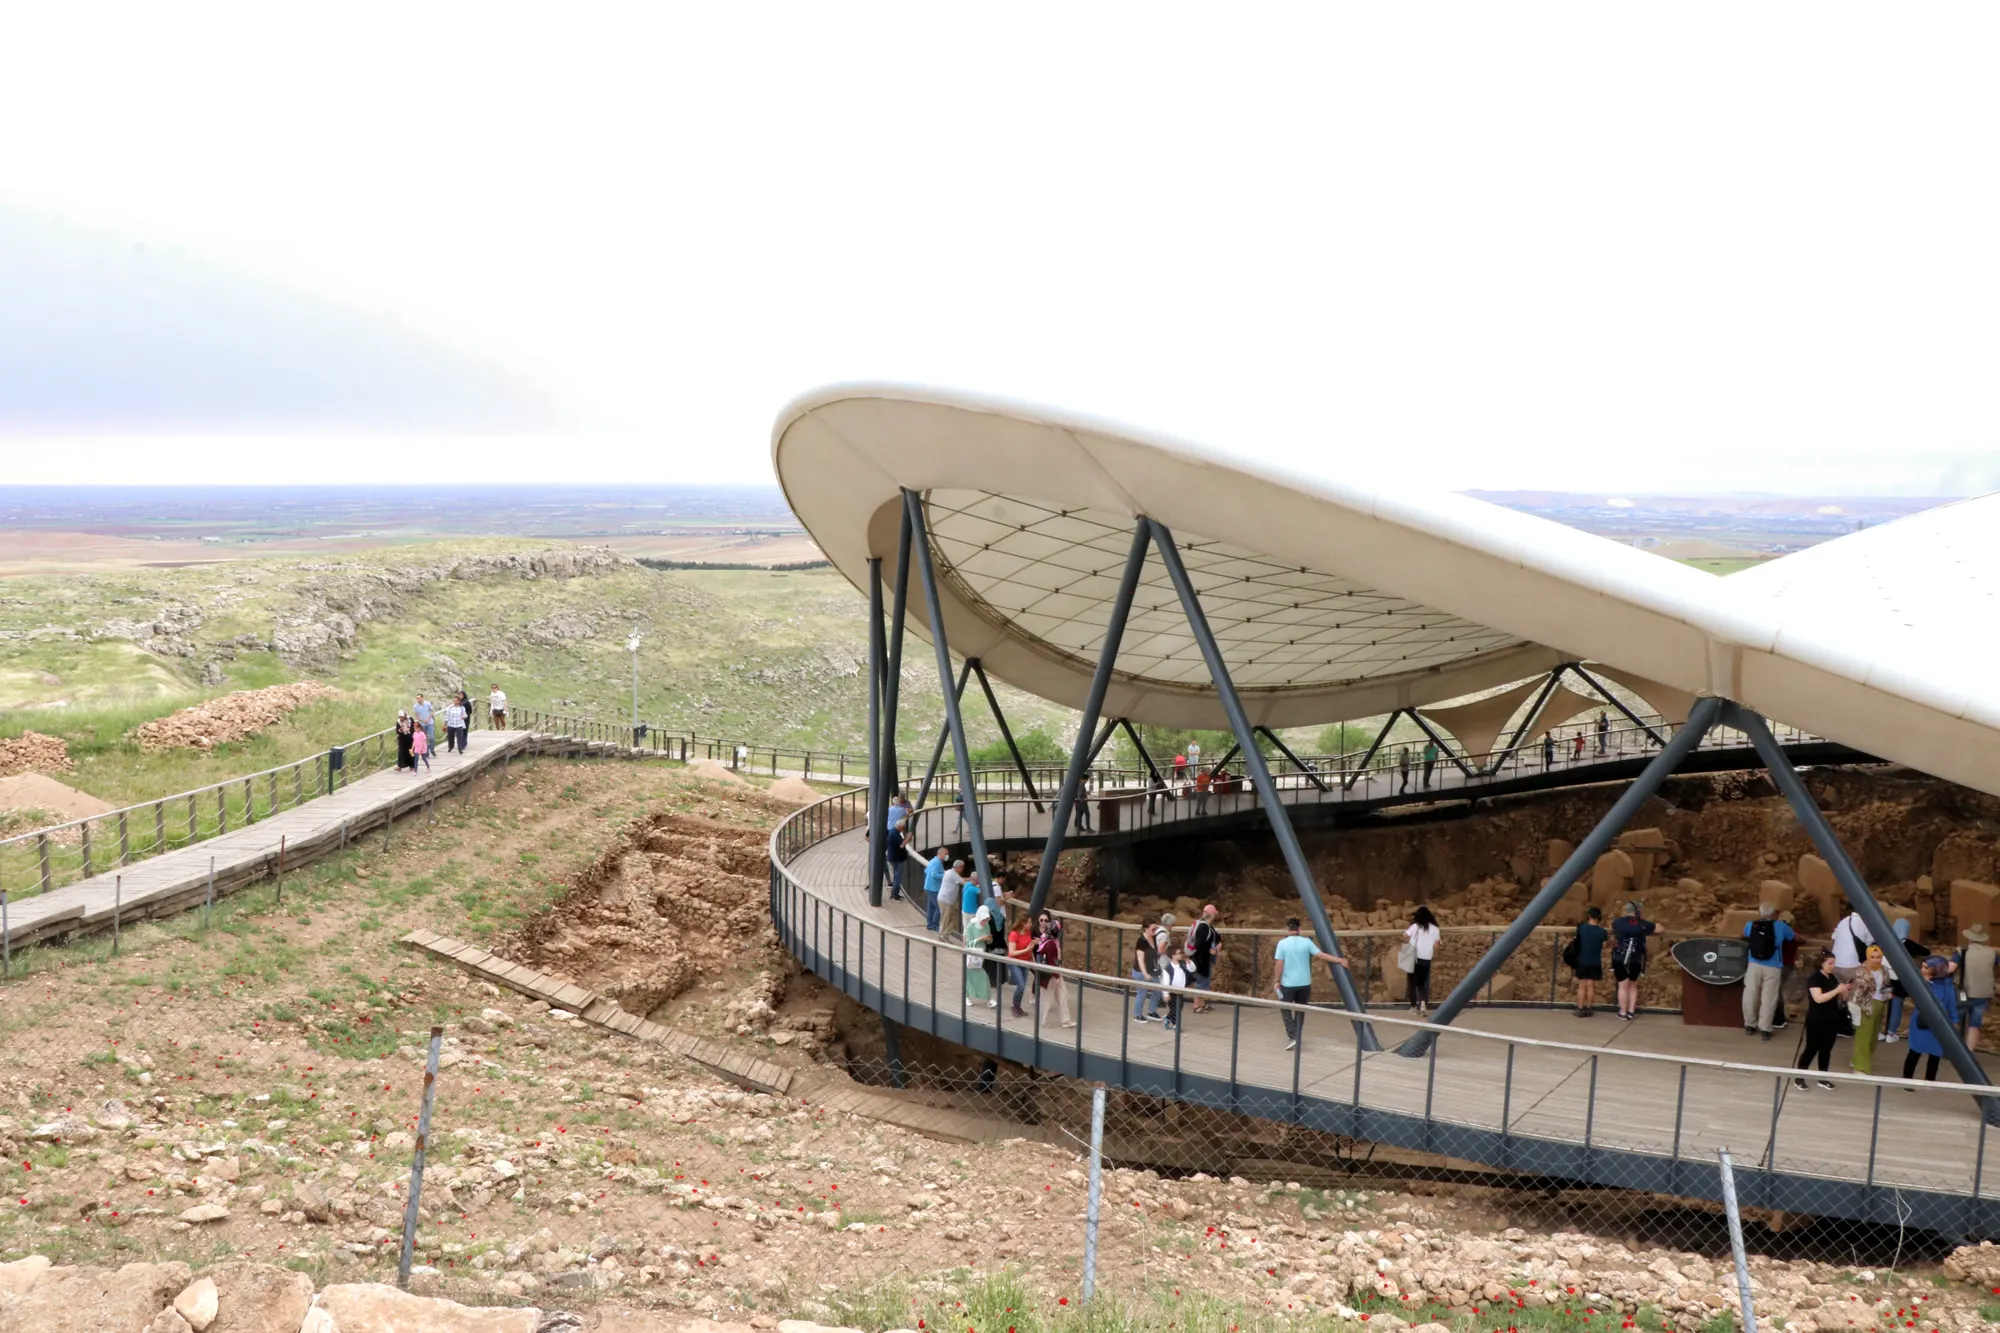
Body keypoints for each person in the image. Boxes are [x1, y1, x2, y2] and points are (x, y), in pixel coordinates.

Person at [1273, 918, 1348, 1051]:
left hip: (1288, 983)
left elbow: (1279, 964)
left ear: (1287, 929)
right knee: (1301, 1010)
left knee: (1285, 1009)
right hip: (1304, 983)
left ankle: (1293, 1036)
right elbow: (1322, 956)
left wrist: (1277, 980)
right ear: (1299, 929)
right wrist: (1340, 960)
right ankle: (1296, 1036)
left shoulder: (1282, 943)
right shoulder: (1307, 942)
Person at [1794, 951, 1849, 1091]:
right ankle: (1799, 1076)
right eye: (1829, 963)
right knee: (1811, 1049)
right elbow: (1818, 998)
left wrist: (1844, 990)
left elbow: (1842, 998)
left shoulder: (1832, 977)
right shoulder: (1815, 978)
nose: (1832, 966)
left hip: (1831, 1018)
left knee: (1826, 1049)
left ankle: (1822, 1077)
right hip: (1816, 1019)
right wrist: (1836, 991)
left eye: (1833, 963)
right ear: (1822, 963)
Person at [1903, 956, 1960, 1087]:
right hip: (1920, 1024)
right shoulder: (1921, 982)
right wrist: (1924, 983)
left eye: (1926, 967)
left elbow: (1951, 1006)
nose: (1922, 969)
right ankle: (1906, 1081)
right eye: (1922, 966)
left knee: (1934, 1055)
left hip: (1938, 1025)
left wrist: (1954, 1022)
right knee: (1914, 1053)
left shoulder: (1948, 987)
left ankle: (1930, 1081)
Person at [1741, 902, 1794, 1040]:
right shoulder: (1781, 926)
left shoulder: (1751, 924)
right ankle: (1765, 1028)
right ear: (1774, 914)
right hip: (1773, 965)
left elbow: (1744, 934)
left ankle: (1749, 1024)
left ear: (1760, 913)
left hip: (1753, 964)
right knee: (1769, 998)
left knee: (1750, 994)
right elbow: (1792, 937)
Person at [1881, 918, 1931, 1042]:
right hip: (1899, 982)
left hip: (1885, 979)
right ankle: (1891, 1033)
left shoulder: (1886, 941)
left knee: (1885, 1004)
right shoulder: (1909, 945)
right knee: (1896, 1005)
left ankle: (1882, 1031)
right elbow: (1926, 952)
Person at [1610, 901, 1655, 1021]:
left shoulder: (1618, 922)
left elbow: (1613, 927)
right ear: (1637, 911)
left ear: (1625, 910)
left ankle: (1622, 1012)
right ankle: (1631, 1011)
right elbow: (1659, 928)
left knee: (1622, 985)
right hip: (1636, 958)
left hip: (1620, 957)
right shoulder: (1644, 924)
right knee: (1633, 984)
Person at [1849, 945, 1890, 1075]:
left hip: (1880, 1003)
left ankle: (1857, 1060)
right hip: (1865, 1005)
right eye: (1872, 957)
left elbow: (1886, 986)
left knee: (1873, 1036)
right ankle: (1860, 1067)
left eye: (1878, 957)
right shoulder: (1861, 971)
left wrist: (1886, 998)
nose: (1876, 960)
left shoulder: (1884, 970)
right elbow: (1859, 989)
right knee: (1863, 1036)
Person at [1959, 923, 1996, 1052]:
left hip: (1965, 992)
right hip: (1983, 993)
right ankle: (1969, 1051)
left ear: (1969, 938)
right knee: (1975, 1023)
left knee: (1955, 1019)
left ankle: (1952, 1048)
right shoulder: (1991, 952)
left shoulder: (1961, 952)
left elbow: (1950, 968)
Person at [1033, 911, 1074, 1027]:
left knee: (1062, 995)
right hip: (1050, 975)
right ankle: (1043, 1021)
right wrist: (1056, 975)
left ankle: (1066, 1020)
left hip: (1052, 973)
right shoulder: (1050, 943)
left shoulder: (1045, 938)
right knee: (1047, 998)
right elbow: (1052, 961)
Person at [1402, 906, 1441, 1014]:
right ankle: (1423, 1003)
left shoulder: (1415, 926)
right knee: (1422, 983)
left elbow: (1405, 936)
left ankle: (1413, 1007)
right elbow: (1437, 945)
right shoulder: (1435, 929)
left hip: (1413, 957)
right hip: (1426, 958)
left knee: (1411, 982)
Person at [1570, 906, 1608, 1017]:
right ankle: (1589, 1008)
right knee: (1591, 985)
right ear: (1599, 917)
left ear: (1588, 916)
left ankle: (1580, 1009)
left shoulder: (1582, 928)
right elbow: (1605, 942)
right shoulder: (1602, 932)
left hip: (1582, 960)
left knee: (1582, 986)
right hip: (1595, 961)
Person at [1186, 904, 1221, 1013]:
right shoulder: (1203, 927)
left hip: (1206, 959)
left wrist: (1218, 944)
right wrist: (1209, 950)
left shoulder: (1208, 926)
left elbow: (1217, 937)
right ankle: (1197, 1006)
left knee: (1205, 981)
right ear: (1212, 914)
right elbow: (1199, 944)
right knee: (1201, 981)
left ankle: (1202, 1003)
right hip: (1201, 959)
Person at [1131, 922, 1163, 1023]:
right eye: (1153, 929)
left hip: (1152, 970)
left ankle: (1151, 1011)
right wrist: (1145, 973)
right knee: (1142, 992)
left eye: (1155, 929)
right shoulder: (1141, 941)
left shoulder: (1153, 937)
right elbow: (1140, 959)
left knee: (1158, 990)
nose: (1155, 931)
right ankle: (1137, 1014)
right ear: (1146, 928)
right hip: (1141, 971)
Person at [964, 905, 995, 1008]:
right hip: (971, 955)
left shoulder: (986, 926)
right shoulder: (970, 927)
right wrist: (980, 939)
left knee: (976, 977)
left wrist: (988, 939)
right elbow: (968, 942)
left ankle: (984, 998)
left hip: (981, 956)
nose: (984, 922)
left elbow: (990, 940)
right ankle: (986, 999)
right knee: (977, 977)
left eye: (986, 920)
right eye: (983, 920)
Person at [1006, 915, 1035, 1017]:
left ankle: (1018, 1007)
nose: (1031, 924)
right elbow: (1012, 952)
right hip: (1014, 962)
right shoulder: (1014, 934)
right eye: (1029, 922)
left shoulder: (1028, 933)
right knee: (1021, 985)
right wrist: (1026, 950)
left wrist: (1032, 956)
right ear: (1024, 923)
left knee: (1022, 986)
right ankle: (1015, 1006)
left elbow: (1029, 947)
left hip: (1025, 962)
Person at [1160, 945, 1190, 1031]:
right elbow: (1165, 982)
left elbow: (1191, 969)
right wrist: (1166, 993)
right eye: (1179, 953)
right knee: (1175, 1008)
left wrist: (1189, 962)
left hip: (1180, 991)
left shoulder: (1182, 964)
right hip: (1172, 992)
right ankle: (1176, 1025)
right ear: (1173, 956)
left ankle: (1167, 1018)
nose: (1181, 955)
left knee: (1179, 1007)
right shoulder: (1168, 968)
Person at [922, 847, 952, 932]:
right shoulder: (937, 863)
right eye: (946, 854)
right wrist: (944, 875)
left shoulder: (933, 861)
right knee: (939, 908)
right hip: (934, 889)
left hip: (929, 887)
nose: (947, 856)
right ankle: (934, 924)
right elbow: (934, 875)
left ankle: (930, 924)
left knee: (931, 907)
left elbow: (926, 871)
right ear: (941, 854)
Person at [938, 859, 967, 942]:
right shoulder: (953, 874)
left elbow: (960, 879)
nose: (963, 869)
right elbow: (963, 883)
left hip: (946, 899)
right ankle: (942, 936)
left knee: (948, 918)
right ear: (959, 867)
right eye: (962, 867)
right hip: (946, 900)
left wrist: (969, 879)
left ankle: (944, 935)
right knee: (946, 919)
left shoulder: (949, 872)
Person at [883, 820, 909, 901]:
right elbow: (901, 845)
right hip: (897, 859)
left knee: (896, 876)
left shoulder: (892, 832)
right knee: (898, 877)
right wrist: (908, 838)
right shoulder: (894, 834)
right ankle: (894, 895)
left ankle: (894, 894)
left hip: (893, 857)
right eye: (903, 827)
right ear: (900, 827)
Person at [960, 871, 984, 939]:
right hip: (971, 912)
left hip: (965, 910)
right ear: (976, 880)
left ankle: (964, 945)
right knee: (973, 929)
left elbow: (976, 887)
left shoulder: (967, 884)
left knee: (966, 929)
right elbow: (981, 891)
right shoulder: (973, 889)